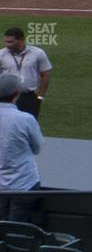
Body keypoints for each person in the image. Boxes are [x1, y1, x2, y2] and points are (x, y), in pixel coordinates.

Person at [0, 75, 42, 225]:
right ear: (17, 93)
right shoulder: (25, 119)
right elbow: (37, 148)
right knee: (16, 229)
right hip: (25, 184)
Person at [0, 29, 52, 123]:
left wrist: (40, 97)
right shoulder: (1, 55)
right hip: (8, 98)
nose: (7, 45)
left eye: (11, 42)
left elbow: (45, 75)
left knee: (30, 124)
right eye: (6, 41)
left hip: (29, 97)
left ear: (21, 40)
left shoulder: (37, 53)